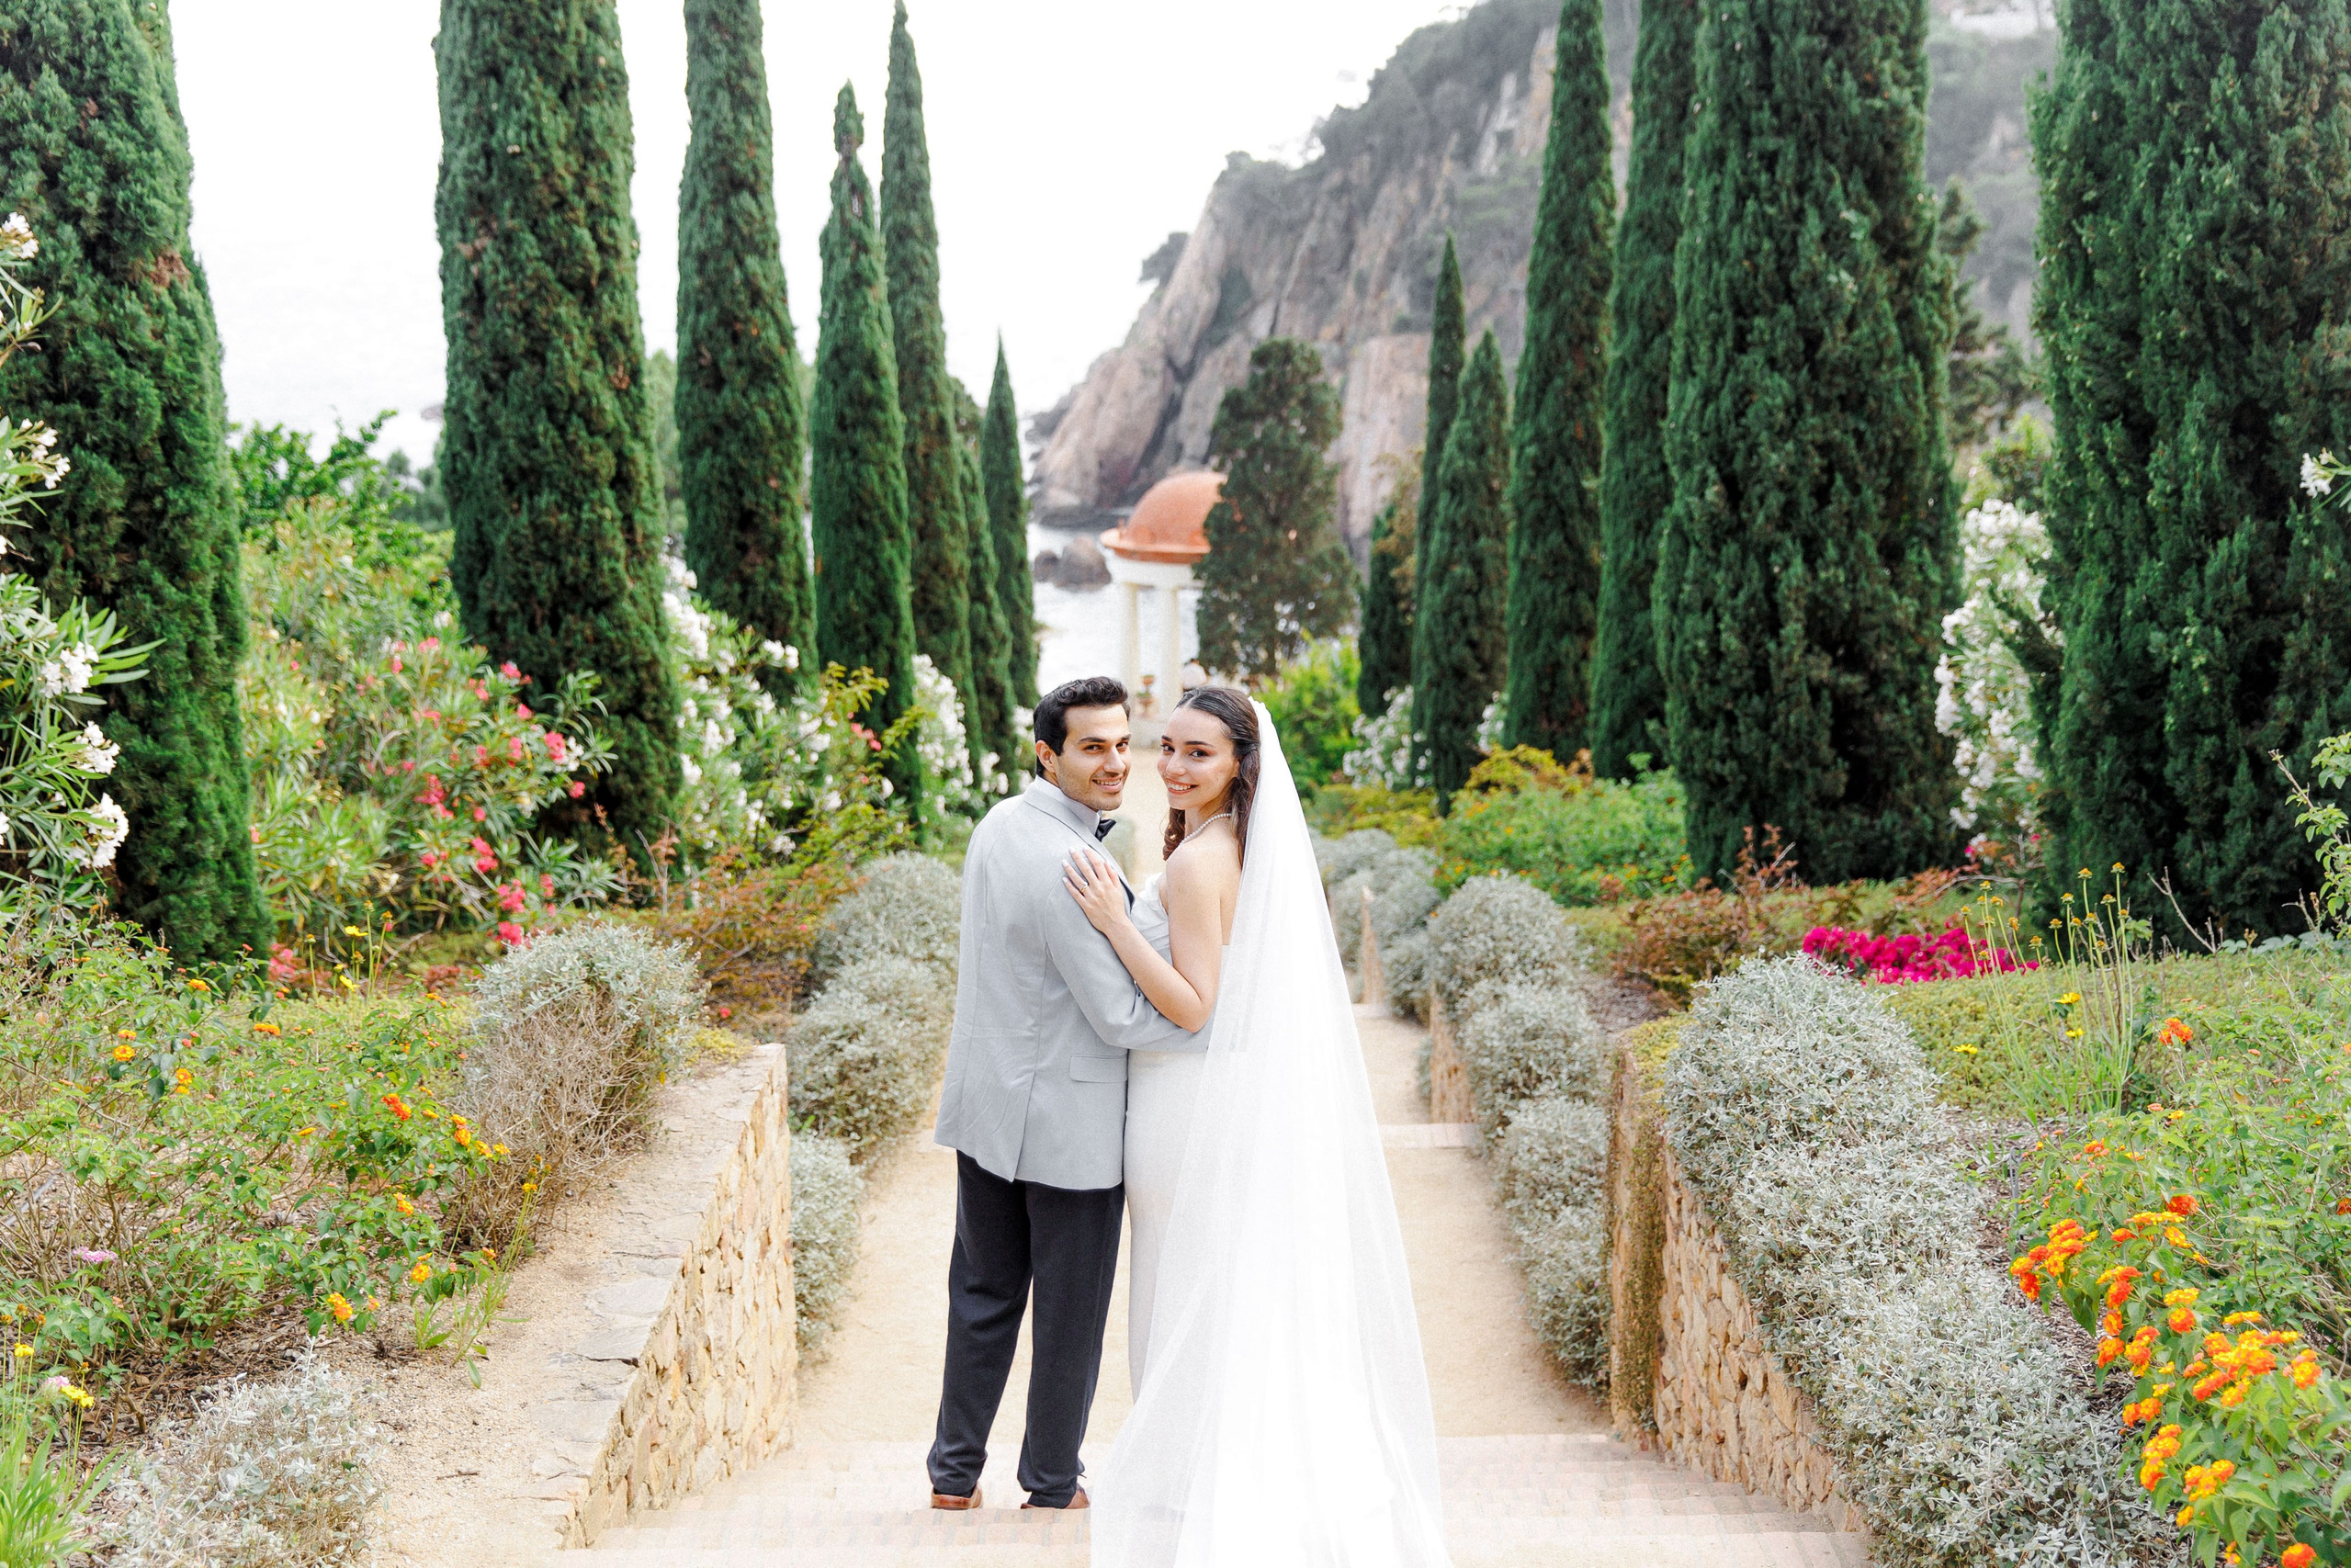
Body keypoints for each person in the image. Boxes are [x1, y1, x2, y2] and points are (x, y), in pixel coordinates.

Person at [1061, 688, 1452, 1566]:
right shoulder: (1232, 846)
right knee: (1220, 1283)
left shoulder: (1202, 862)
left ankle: (1197, 1475)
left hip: (1186, 1099)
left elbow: (1196, 1006)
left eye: (1198, 753)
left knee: (1186, 1288)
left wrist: (1118, 923)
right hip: (1212, 1100)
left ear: (1241, 763)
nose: (1170, 766)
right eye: (1168, 747)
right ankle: (1212, 1465)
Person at [927, 675, 1203, 1515]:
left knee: (980, 1294)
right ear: (1047, 754)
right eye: (1093, 746)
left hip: (989, 1108)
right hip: (1070, 1125)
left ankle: (951, 1474)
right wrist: (1210, 1025)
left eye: (1124, 743)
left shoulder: (996, 826)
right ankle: (1050, 1482)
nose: (1116, 762)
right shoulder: (1073, 859)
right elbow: (1120, 1015)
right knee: (1071, 1314)